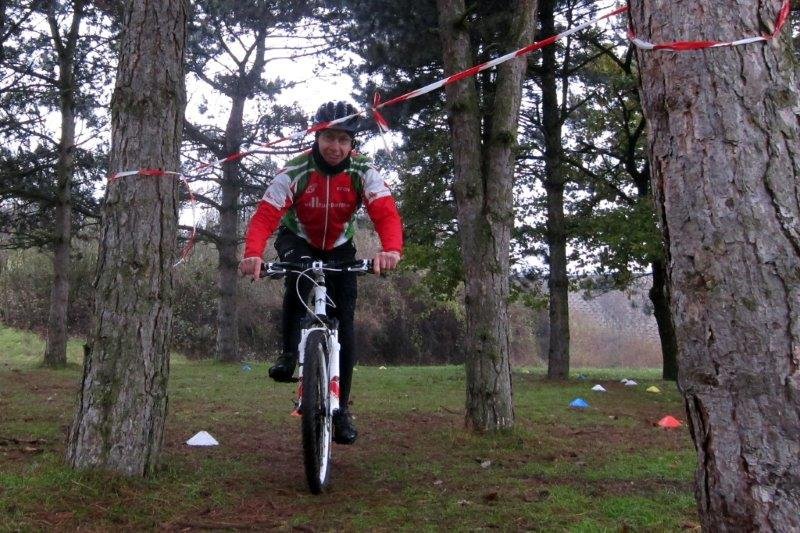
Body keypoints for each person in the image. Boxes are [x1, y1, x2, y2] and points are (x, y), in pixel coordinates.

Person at [239, 101, 403, 445]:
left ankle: (341, 409)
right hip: (296, 238)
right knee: (298, 276)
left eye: (343, 139)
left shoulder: (363, 172)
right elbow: (266, 215)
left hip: (340, 247)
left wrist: (390, 250)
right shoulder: (295, 170)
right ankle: (288, 354)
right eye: (329, 137)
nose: (335, 147)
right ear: (317, 135)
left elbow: (385, 213)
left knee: (344, 324)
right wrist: (253, 255)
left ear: (352, 143)